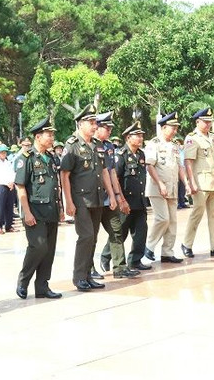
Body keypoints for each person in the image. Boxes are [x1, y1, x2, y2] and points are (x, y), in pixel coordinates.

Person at [60, 104, 119, 291]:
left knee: (93, 238)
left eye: (95, 122)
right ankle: (78, 277)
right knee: (85, 236)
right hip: (80, 200)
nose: (94, 126)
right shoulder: (72, 145)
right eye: (91, 122)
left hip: (97, 198)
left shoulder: (97, 145)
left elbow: (104, 171)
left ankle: (87, 274)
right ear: (80, 124)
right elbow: (64, 175)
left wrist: (111, 194)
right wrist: (68, 201)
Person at [14, 118, 63, 300]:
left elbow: (55, 185)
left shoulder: (50, 158)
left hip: (51, 210)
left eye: (52, 135)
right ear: (38, 136)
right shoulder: (26, 159)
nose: (51, 138)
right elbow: (20, 187)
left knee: (49, 250)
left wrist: (60, 207)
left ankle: (42, 286)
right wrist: (26, 212)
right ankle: (23, 279)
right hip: (34, 211)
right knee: (38, 246)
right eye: (48, 135)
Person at [181, 108, 214, 258]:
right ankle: (187, 244)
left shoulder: (213, 137)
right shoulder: (192, 138)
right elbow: (188, 162)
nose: (208, 124)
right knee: (197, 213)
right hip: (200, 182)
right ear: (198, 122)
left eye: (210, 122)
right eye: (205, 122)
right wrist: (192, 182)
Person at [95, 111, 139, 280]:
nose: (109, 130)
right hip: (92, 198)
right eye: (106, 127)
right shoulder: (90, 145)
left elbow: (112, 173)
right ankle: (89, 269)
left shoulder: (109, 147)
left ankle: (119, 267)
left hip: (109, 198)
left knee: (116, 231)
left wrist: (118, 196)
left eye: (110, 127)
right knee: (90, 236)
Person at [144, 112, 188, 264]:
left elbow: (180, 167)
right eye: (172, 128)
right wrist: (160, 184)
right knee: (163, 218)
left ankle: (167, 252)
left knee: (172, 221)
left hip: (172, 188)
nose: (175, 131)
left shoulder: (175, 146)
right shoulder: (154, 144)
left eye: (176, 128)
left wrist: (186, 183)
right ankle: (149, 247)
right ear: (163, 128)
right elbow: (149, 166)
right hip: (157, 188)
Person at [106, 121, 149, 271]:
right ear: (128, 138)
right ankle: (106, 256)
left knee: (141, 232)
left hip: (140, 200)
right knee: (120, 232)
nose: (140, 138)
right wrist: (120, 199)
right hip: (126, 201)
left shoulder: (141, 154)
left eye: (141, 136)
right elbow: (115, 178)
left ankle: (135, 260)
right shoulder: (121, 155)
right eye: (137, 136)